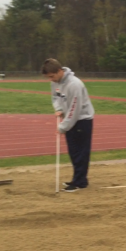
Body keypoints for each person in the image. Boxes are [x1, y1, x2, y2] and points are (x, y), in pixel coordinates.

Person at [42, 58, 95, 192]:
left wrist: (62, 127)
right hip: (69, 119)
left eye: (52, 76)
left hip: (82, 120)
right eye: (49, 77)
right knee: (73, 152)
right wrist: (58, 108)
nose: (51, 80)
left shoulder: (74, 84)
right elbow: (55, 97)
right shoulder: (55, 82)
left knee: (81, 152)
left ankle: (80, 182)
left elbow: (74, 109)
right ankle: (78, 178)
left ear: (60, 71)